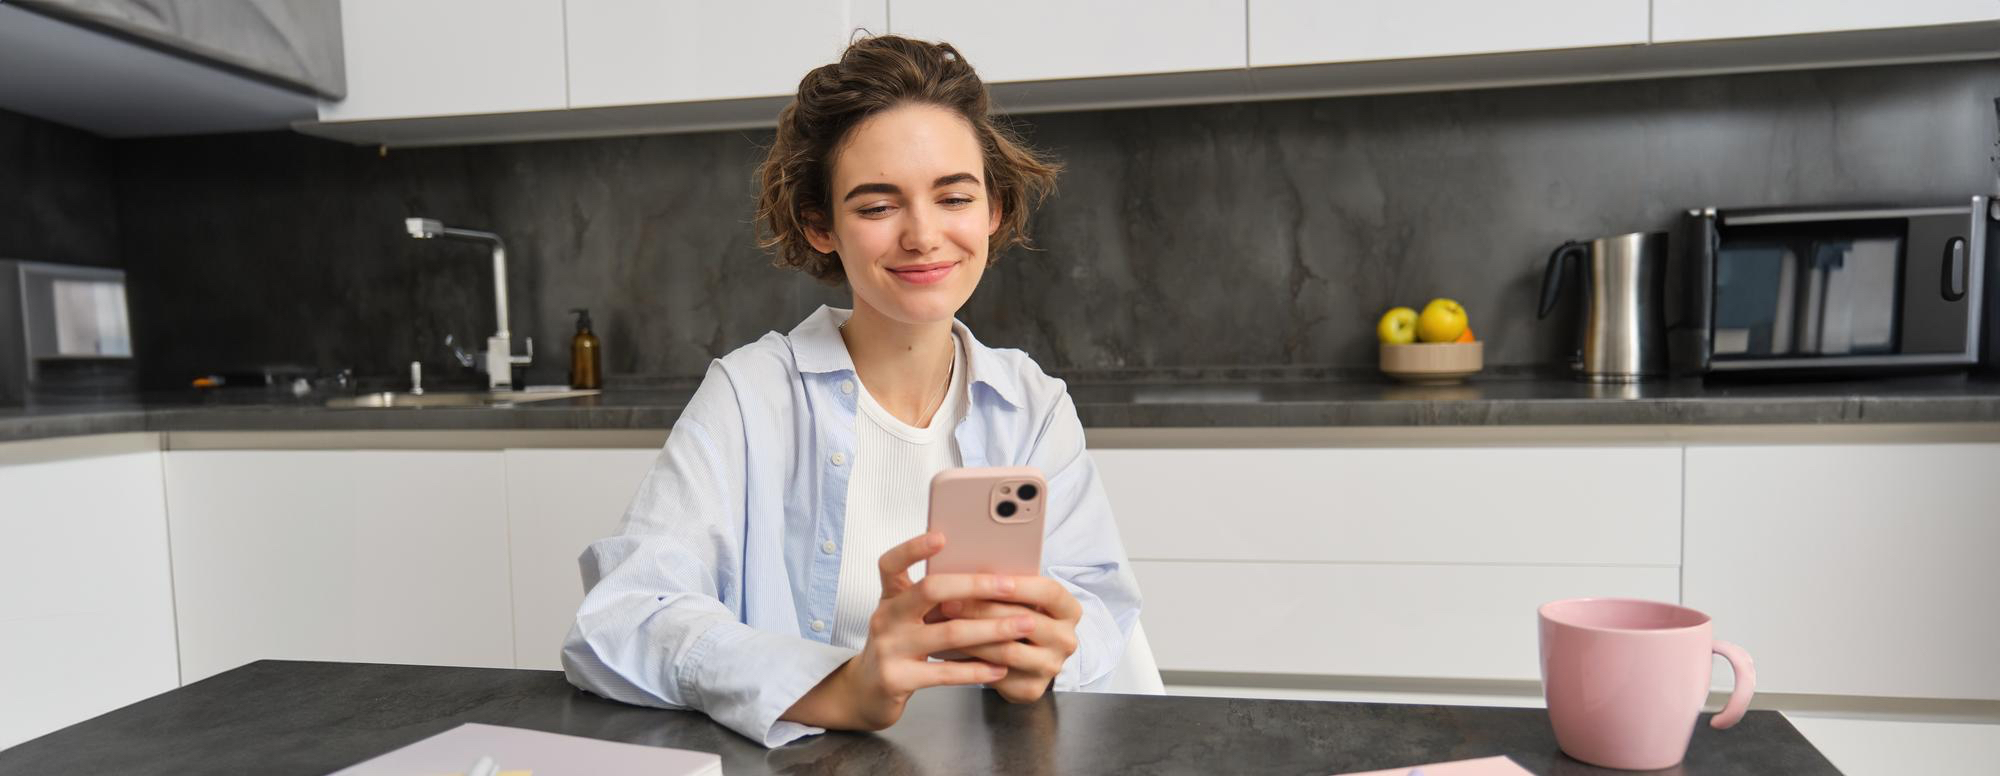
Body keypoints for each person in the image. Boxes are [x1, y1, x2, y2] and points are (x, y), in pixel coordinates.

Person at [560, 35, 1141, 748]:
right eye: (876, 207)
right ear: (820, 226)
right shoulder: (749, 396)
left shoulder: (1033, 404)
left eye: (954, 196)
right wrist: (844, 685)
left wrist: (1044, 663)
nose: (924, 235)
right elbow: (621, 619)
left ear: (993, 209)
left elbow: (1102, 608)